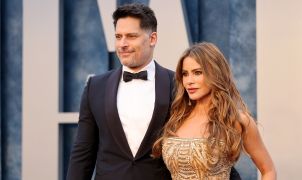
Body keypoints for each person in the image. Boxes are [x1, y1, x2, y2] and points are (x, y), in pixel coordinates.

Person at [66, 3, 241, 180]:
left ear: (152, 38)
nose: (122, 44)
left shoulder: (179, 85)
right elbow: (83, 153)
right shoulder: (95, 87)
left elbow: (210, 146)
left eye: (131, 36)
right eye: (118, 37)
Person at [153, 42, 277, 180]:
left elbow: (268, 170)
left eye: (197, 73)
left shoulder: (236, 120)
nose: (189, 81)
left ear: (215, 73)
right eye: (185, 74)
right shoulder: (177, 117)